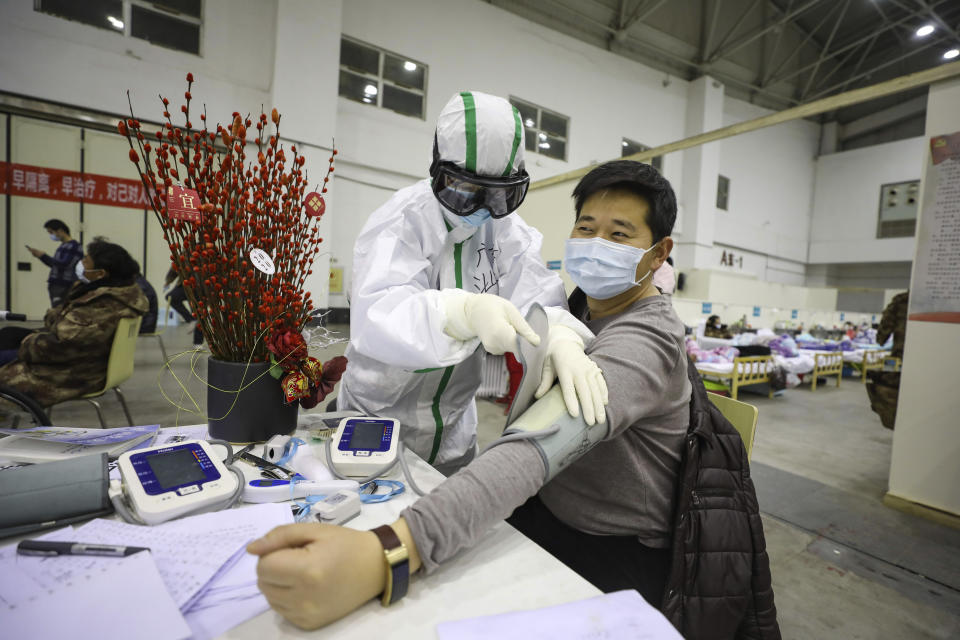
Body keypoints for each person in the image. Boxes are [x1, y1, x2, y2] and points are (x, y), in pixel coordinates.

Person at [247, 161, 780, 638]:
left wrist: (386, 552)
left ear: (658, 253)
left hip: (610, 546)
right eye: (586, 229)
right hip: (547, 508)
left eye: (619, 235)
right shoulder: (579, 309)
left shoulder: (646, 337)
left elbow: (536, 447)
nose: (596, 244)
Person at [336, 91, 606, 475]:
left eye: (500, 196)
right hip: (377, 416)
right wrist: (460, 312)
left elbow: (536, 294)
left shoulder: (507, 231)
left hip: (453, 429)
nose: (483, 209)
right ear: (438, 171)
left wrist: (559, 335)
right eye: (465, 191)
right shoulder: (402, 221)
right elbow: (380, 314)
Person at [0, 239, 148, 406]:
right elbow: (65, 322)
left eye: (86, 260)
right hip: (86, 362)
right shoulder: (116, 295)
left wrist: (26, 344)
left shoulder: (102, 305)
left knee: (5, 353)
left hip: (70, 372)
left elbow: (61, 344)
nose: (81, 263)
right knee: (9, 334)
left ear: (101, 273)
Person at [867, 291, 908, 429]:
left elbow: (882, 335)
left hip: (899, 357)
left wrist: (881, 338)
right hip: (924, 361)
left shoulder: (901, 300)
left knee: (888, 389)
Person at [26, 219, 84, 307]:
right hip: (57, 283)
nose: (51, 235)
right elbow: (54, 265)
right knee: (56, 309)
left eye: (51, 232)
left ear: (60, 231)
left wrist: (43, 256)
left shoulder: (74, 246)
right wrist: (40, 256)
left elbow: (64, 265)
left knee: (59, 309)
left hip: (64, 284)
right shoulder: (63, 246)